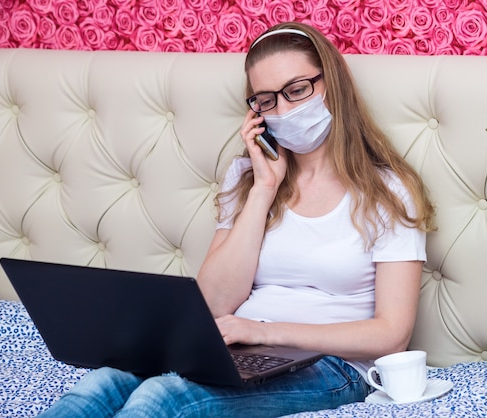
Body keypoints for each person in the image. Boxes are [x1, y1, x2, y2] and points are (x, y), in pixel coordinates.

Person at [39, 22, 435, 418]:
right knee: (100, 384)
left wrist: (264, 331)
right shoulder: (247, 177)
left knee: (162, 398)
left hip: (335, 366)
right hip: (239, 348)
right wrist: (264, 190)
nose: (284, 110)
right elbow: (213, 303)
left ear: (332, 82)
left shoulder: (389, 189)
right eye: (266, 100)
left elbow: (391, 333)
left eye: (297, 90)